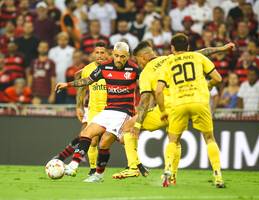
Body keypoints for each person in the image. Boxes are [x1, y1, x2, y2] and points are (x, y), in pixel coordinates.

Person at [112, 40, 235, 182]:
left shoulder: (146, 72)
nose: (138, 63)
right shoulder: (171, 58)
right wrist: (222, 48)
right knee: (175, 140)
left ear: (143, 57)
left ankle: (133, 168)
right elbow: (200, 53)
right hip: (181, 104)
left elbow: (145, 100)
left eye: (137, 60)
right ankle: (173, 175)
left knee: (128, 127)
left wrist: (138, 125)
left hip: (165, 109)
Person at [55, 42, 140, 182]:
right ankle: (74, 165)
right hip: (108, 110)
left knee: (104, 144)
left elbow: (146, 88)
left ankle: (100, 174)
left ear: (128, 56)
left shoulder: (135, 70)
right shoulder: (104, 67)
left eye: (123, 57)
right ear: (112, 54)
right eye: (117, 56)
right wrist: (67, 85)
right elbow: (87, 80)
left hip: (124, 112)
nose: (119, 59)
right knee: (86, 133)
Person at [155, 33, 224, 188]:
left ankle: (167, 170)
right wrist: (209, 84)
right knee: (209, 138)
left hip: (178, 103)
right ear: (188, 47)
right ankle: (218, 175)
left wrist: (163, 110)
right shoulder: (198, 57)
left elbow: (158, 91)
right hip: (199, 101)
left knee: (173, 140)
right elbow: (218, 78)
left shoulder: (167, 62)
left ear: (172, 48)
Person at [53, 41, 109, 176]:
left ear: (107, 54)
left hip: (111, 109)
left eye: (102, 52)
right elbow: (82, 90)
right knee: (92, 140)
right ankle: (93, 169)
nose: (100, 55)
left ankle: (135, 165)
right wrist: (79, 106)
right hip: (94, 109)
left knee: (117, 139)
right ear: (92, 54)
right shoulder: (87, 70)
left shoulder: (112, 67)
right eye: (97, 52)